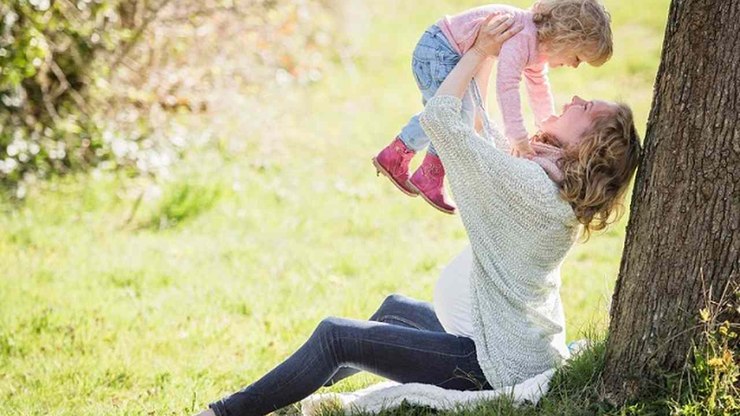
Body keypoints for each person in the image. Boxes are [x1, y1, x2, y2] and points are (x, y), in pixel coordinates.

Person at [198, 13, 641, 416]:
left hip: (494, 366)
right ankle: (288, 396)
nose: (577, 96)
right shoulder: (545, 180)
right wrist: (488, 56)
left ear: (587, 146)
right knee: (393, 310)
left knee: (337, 335)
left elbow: (443, 119)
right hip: (507, 346)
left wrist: (477, 52)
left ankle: (225, 413)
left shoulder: (530, 189)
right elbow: (480, 130)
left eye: (585, 109)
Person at [372, 0, 613, 214]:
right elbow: (506, 87)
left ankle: (396, 155)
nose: (574, 66)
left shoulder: (536, 45)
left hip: (440, 50)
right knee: (451, 115)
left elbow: (538, 86)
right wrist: (518, 137)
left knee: (446, 114)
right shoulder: (523, 36)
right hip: (438, 52)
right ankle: (428, 175)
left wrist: (545, 123)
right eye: (578, 58)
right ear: (567, 38)